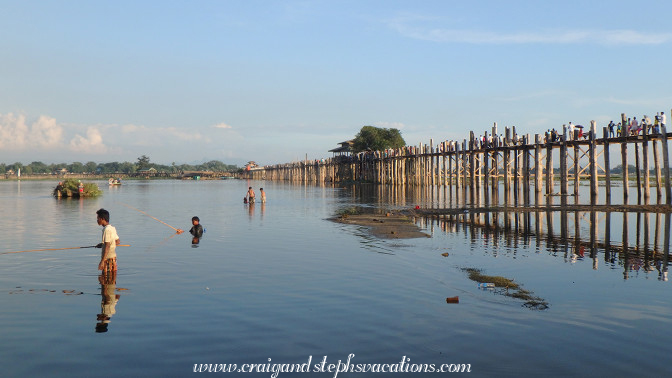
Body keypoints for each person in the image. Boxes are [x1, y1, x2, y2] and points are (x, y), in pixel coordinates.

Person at [96, 208, 120, 273]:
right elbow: (117, 241)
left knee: (105, 280)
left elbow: (107, 245)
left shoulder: (106, 230)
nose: (97, 220)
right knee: (111, 279)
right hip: (113, 258)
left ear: (102, 219)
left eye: (98, 218)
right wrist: (102, 244)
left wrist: (102, 261)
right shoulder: (112, 228)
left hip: (107, 259)